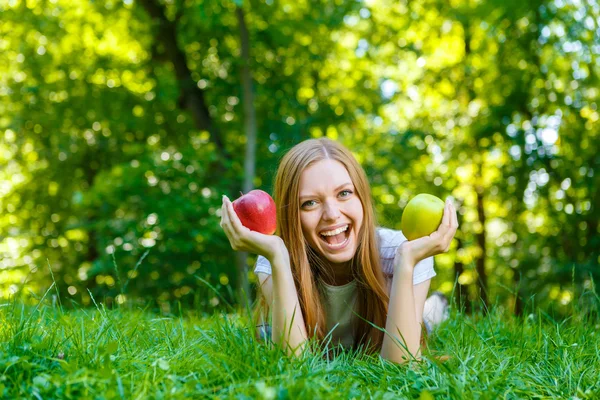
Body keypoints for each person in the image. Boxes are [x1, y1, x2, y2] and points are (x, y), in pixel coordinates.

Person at [219, 138, 458, 364]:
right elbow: (292, 367)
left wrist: (406, 263)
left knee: (425, 321)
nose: (332, 214)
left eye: (344, 193)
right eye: (309, 203)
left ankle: (435, 306)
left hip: (406, 315)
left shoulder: (400, 250)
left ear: (362, 197)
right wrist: (277, 256)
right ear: (292, 215)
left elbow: (401, 369)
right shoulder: (275, 258)